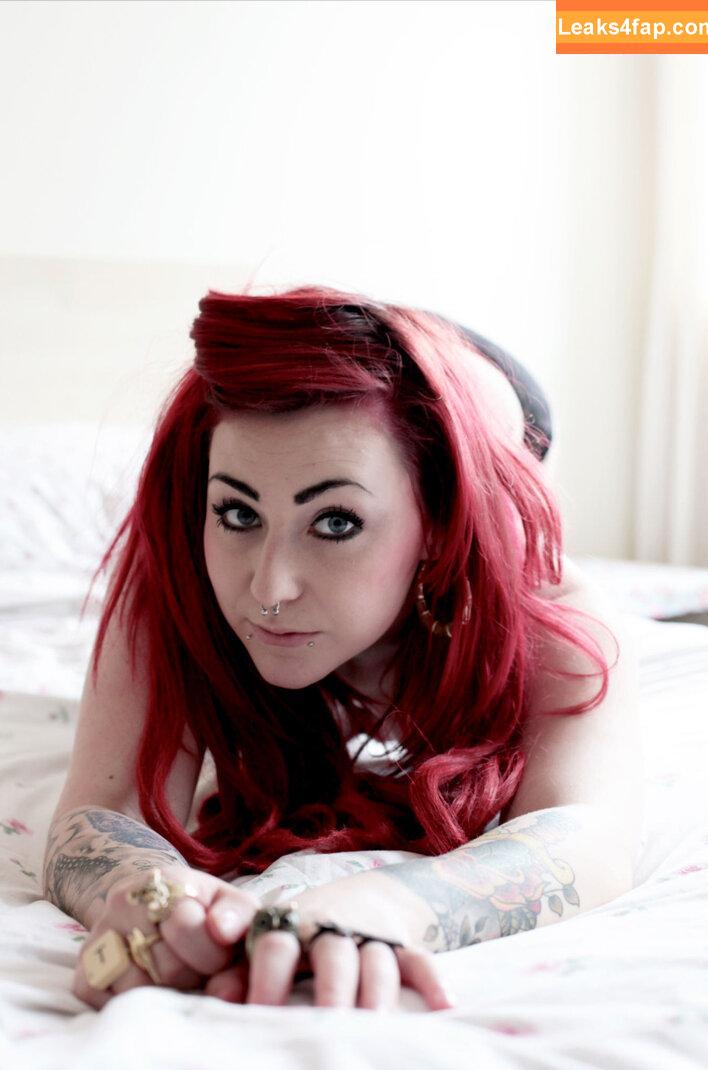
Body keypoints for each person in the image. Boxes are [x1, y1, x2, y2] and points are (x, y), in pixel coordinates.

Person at [42, 286, 642, 1013]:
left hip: (490, 400)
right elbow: (101, 808)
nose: (270, 588)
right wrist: (156, 896)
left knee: (477, 418)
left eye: (335, 523)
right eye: (238, 512)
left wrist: (387, 906)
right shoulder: (182, 565)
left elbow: (586, 832)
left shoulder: (546, 606)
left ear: (438, 524)